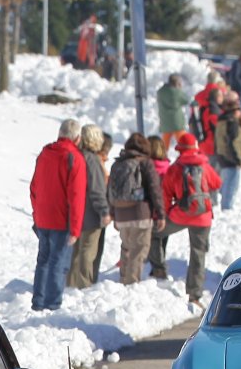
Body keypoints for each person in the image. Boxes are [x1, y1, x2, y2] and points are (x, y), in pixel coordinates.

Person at [148, 131, 222, 305]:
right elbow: (217, 183)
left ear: (179, 149)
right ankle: (194, 295)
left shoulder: (175, 168)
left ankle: (159, 269)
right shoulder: (204, 164)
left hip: (181, 214)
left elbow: (166, 194)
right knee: (198, 254)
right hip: (203, 216)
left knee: (155, 234)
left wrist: (164, 215)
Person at [29, 117, 87, 312]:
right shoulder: (74, 158)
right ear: (77, 138)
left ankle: (39, 302)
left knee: (43, 261)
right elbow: (76, 196)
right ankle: (52, 304)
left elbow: (34, 187)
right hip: (62, 220)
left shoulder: (45, 153)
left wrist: (37, 213)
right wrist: (76, 228)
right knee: (58, 263)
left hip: (43, 217)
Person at [108, 131, 167, 284]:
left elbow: (110, 191)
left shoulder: (117, 164)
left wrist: (113, 213)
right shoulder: (145, 163)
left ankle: (123, 278)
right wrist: (160, 214)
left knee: (126, 247)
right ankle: (131, 283)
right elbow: (155, 189)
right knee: (138, 249)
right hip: (140, 213)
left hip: (121, 214)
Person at [66, 126, 111, 289]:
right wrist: (104, 211)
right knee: (88, 251)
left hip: (74, 212)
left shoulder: (74, 156)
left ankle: (71, 283)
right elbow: (97, 189)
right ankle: (84, 285)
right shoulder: (92, 160)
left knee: (76, 251)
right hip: (90, 213)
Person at [213, 94, 241, 211]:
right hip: (231, 159)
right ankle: (227, 209)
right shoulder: (232, 122)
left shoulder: (222, 121)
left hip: (223, 156)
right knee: (231, 187)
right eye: (239, 110)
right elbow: (232, 142)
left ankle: (226, 207)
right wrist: (238, 159)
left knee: (226, 185)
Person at [156, 73, 190, 152]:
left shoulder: (160, 92)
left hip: (165, 122)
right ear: (177, 83)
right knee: (183, 143)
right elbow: (186, 100)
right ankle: (185, 155)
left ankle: (162, 156)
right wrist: (179, 89)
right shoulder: (177, 92)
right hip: (177, 123)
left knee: (164, 145)